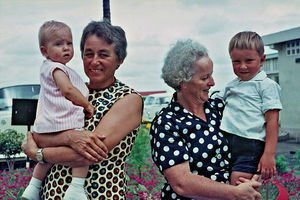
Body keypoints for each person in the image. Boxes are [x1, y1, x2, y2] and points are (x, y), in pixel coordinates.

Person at [21, 20, 143, 200]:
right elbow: (37, 135)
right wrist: (68, 138)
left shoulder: (128, 99)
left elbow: (88, 155)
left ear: (120, 59)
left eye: (103, 54)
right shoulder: (70, 91)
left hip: (99, 194)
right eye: (88, 54)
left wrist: (38, 154)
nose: (94, 61)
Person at [150, 39, 262, 200]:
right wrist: (235, 193)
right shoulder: (167, 123)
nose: (212, 82)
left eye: (212, 75)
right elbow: (182, 183)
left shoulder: (220, 109)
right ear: (182, 82)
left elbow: (251, 136)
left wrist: (252, 177)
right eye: (204, 78)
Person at [22, 20, 95, 200]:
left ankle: (32, 188)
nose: (65, 48)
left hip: (47, 126)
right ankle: (76, 189)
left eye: (69, 43)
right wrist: (86, 105)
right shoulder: (57, 69)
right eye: (58, 44)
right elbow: (68, 90)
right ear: (44, 51)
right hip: (63, 122)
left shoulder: (47, 68)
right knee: (82, 152)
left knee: (46, 160)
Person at [216, 31, 282, 185]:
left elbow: (272, 121)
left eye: (249, 60)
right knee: (225, 187)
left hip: (249, 146)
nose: (242, 66)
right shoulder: (231, 85)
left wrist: (269, 154)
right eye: (236, 61)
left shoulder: (266, 85)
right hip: (226, 141)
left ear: (262, 60)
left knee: (241, 189)